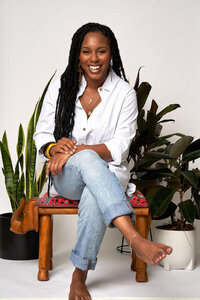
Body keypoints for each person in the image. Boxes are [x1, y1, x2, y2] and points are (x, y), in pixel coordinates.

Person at [34, 22, 172, 300]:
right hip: (67, 177)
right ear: (77, 55)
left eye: (101, 51)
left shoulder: (124, 94)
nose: (94, 59)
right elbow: (42, 134)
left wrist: (76, 151)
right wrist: (53, 149)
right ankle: (135, 239)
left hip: (109, 175)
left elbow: (119, 147)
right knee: (85, 162)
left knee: (93, 192)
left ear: (112, 54)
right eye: (86, 52)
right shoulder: (62, 88)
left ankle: (79, 275)